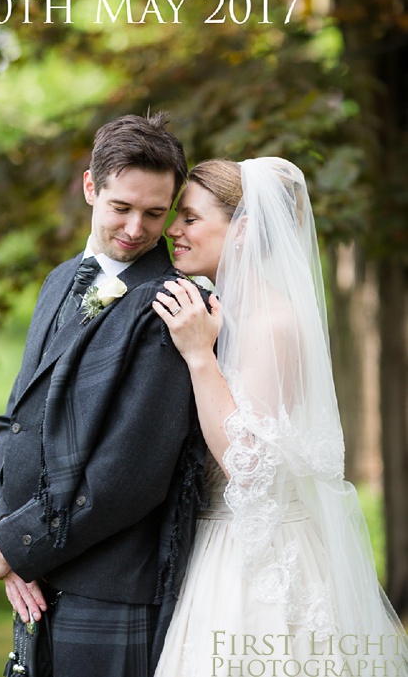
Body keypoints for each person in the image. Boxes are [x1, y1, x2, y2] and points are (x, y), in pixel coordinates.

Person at [152, 157, 408, 677]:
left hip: (255, 561)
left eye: (191, 218)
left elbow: (246, 464)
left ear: (242, 229)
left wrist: (201, 357)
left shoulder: (274, 324)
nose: (172, 229)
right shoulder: (224, 312)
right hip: (210, 543)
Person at [0, 112, 207, 677]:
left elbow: (131, 473)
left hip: (111, 584)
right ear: (90, 187)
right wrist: (4, 538)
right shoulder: (59, 279)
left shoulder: (169, 304)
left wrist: (20, 542)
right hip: (37, 569)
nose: (136, 229)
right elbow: (15, 422)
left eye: (156, 213)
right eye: (121, 207)